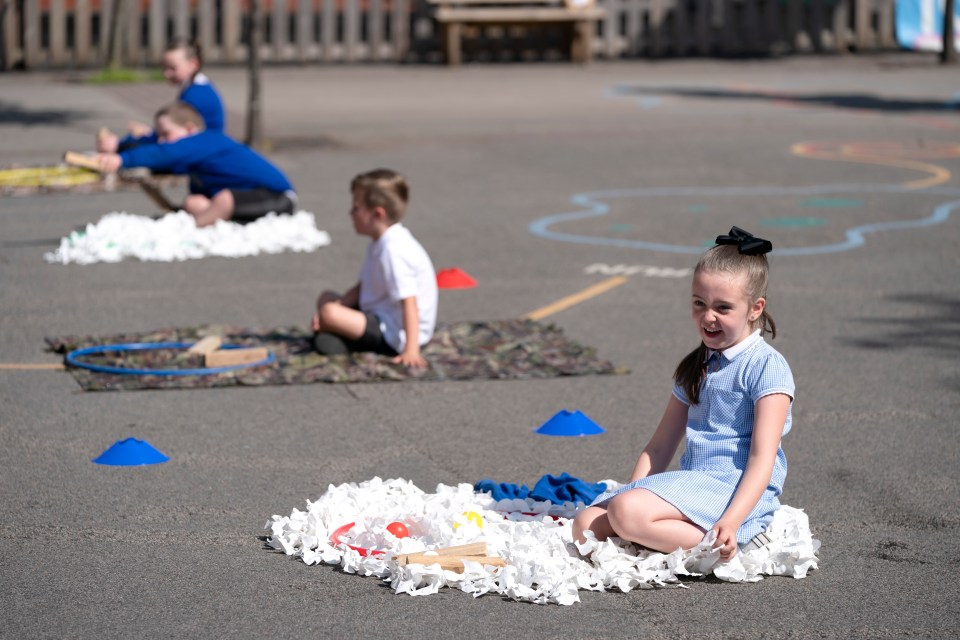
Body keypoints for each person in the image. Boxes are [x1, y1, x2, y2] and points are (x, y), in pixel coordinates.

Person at [572, 227, 794, 561]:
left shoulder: (767, 366)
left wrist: (731, 520)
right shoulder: (697, 364)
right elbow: (660, 446)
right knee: (586, 526)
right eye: (699, 303)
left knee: (626, 513)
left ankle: (736, 543)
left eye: (723, 307)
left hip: (735, 492)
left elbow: (763, 459)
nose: (708, 317)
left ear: (755, 308)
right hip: (697, 485)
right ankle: (658, 534)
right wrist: (634, 492)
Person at [94, 101, 296, 227]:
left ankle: (192, 230)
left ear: (190, 129)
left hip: (277, 197)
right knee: (194, 202)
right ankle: (224, 222)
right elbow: (159, 150)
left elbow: (164, 153)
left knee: (224, 200)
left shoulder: (203, 140)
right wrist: (122, 146)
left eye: (166, 134)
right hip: (243, 198)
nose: (162, 140)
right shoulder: (191, 147)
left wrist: (123, 159)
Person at [311, 169, 438, 368]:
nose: (350, 213)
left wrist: (411, 350)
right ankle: (340, 334)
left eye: (356, 208)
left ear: (377, 213)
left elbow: (409, 302)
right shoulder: (381, 242)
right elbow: (365, 285)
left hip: (396, 332)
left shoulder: (394, 251)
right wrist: (341, 304)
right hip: (379, 311)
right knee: (326, 299)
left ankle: (341, 337)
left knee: (329, 313)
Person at [97, 38, 225, 153]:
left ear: (193, 64)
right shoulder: (199, 87)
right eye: (164, 68)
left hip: (202, 152)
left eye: (172, 68)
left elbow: (175, 138)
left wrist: (122, 144)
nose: (166, 74)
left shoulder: (195, 96)